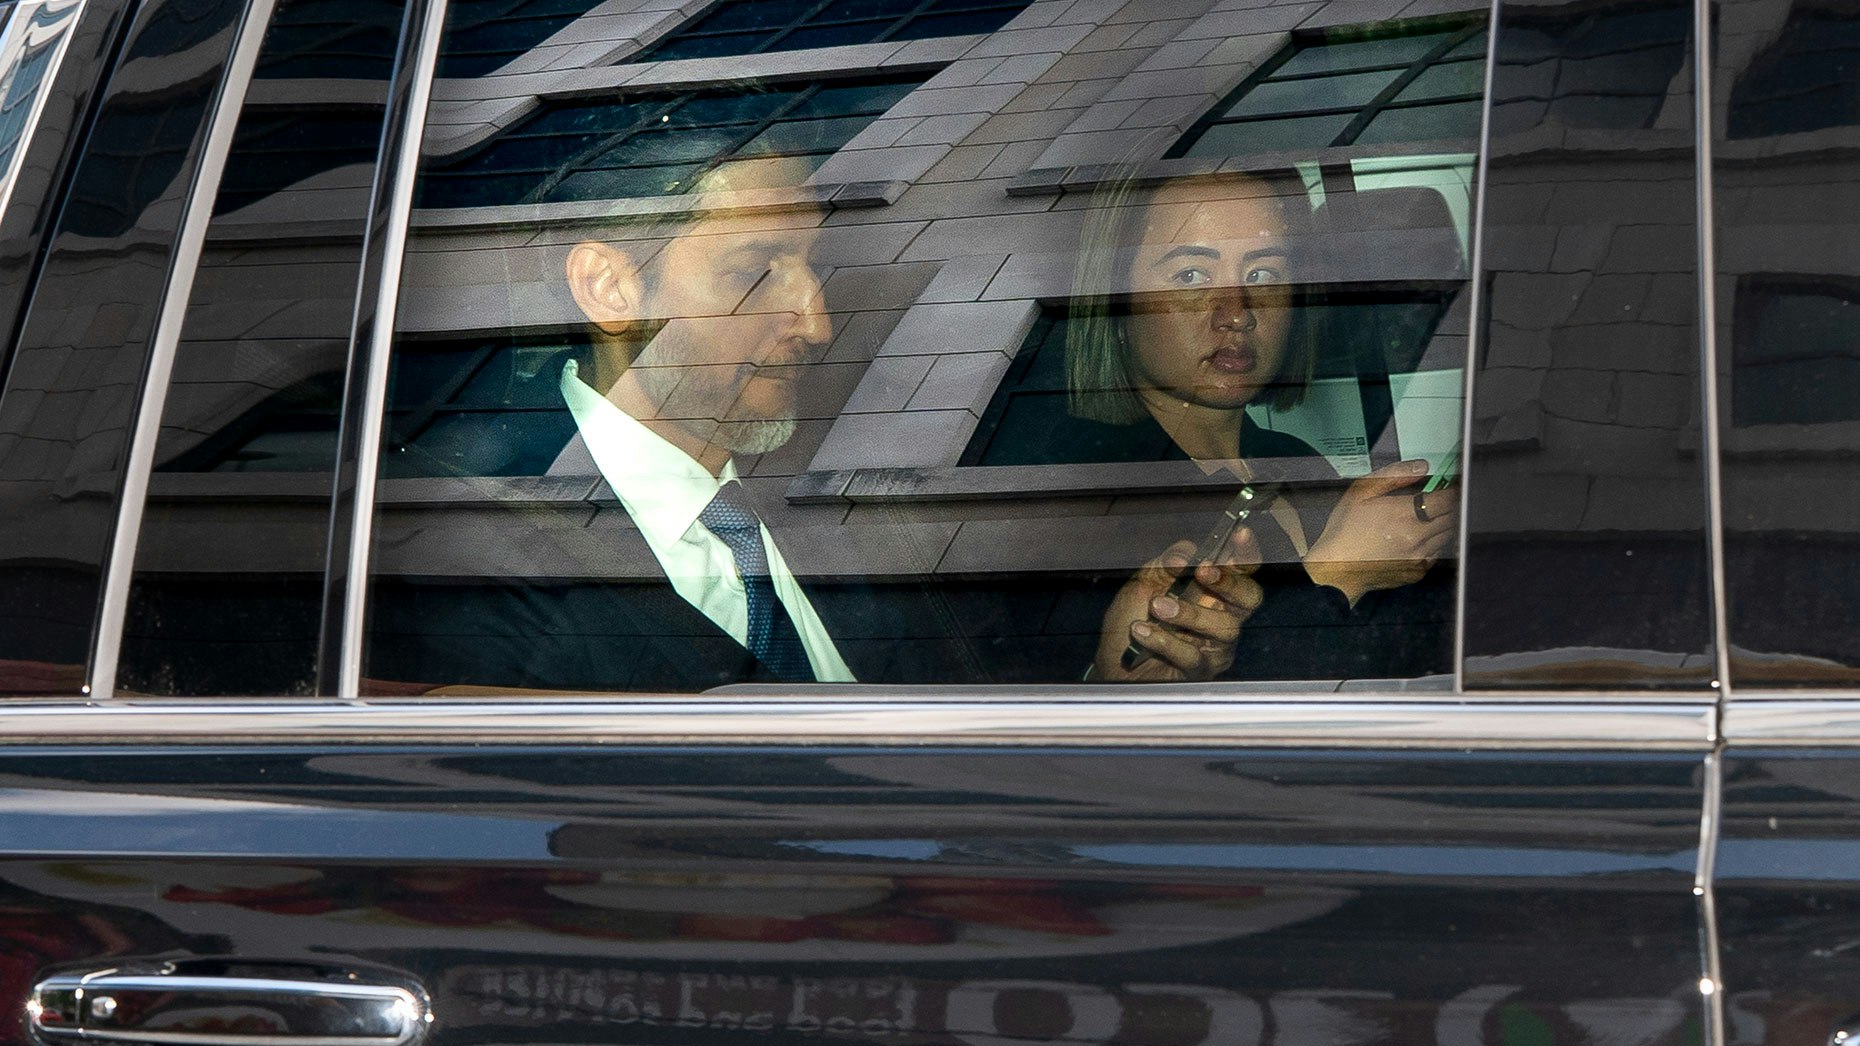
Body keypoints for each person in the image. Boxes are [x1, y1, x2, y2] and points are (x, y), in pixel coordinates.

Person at [1050, 171, 1460, 683]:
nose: (1237, 314)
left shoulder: (1294, 459)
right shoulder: (1073, 493)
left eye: (1263, 273)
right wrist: (1335, 575)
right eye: (1191, 277)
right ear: (1116, 303)